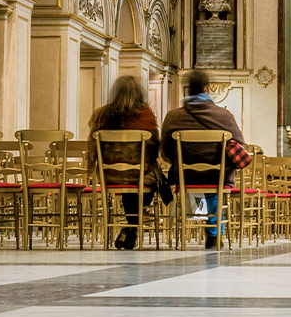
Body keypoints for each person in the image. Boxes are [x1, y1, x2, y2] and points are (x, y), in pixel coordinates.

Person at [161, 69, 246, 249]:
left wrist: (181, 163)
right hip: (218, 176)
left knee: (197, 186)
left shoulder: (173, 117)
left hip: (185, 177)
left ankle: (197, 225)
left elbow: (165, 150)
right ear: (206, 89)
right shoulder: (224, 116)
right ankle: (214, 233)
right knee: (214, 188)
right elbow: (240, 144)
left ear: (187, 90)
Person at [86, 75, 161, 250]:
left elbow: (91, 146)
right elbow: (154, 148)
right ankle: (132, 227)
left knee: (134, 181)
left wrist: (91, 171)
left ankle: (130, 229)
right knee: (152, 180)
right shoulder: (146, 115)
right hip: (139, 175)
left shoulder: (100, 114)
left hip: (109, 176)